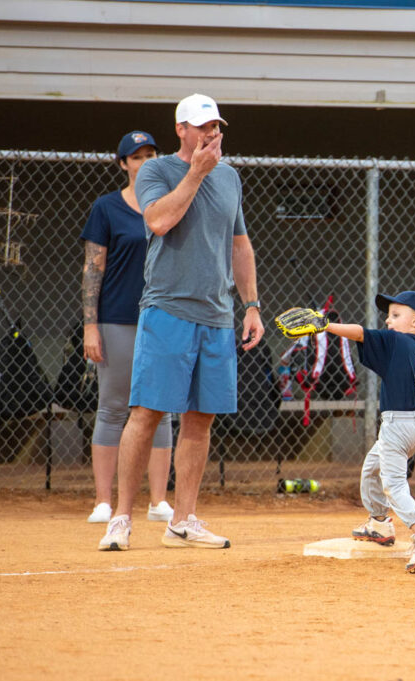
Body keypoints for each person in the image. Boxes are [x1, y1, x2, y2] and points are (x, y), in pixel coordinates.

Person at [98, 94, 264, 551]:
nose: (212, 133)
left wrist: (251, 306)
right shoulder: (157, 171)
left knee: (200, 418)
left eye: (216, 126)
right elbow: (158, 221)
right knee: (147, 413)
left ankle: (183, 519)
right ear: (181, 130)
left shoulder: (230, 177)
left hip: (217, 316)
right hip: (167, 309)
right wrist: (197, 173)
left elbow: (240, 245)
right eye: (203, 126)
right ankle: (121, 517)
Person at [81, 130, 174, 525]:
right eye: (136, 157)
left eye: (151, 155)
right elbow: (92, 268)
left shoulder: (171, 203)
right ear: (122, 163)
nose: (144, 162)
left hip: (164, 317)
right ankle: (104, 501)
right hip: (118, 318)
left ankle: (158, 501)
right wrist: (90, 326)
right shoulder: (107, 208)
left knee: (162, 409)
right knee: (113, 407)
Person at [321, 290, 415, 573]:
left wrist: (326, 325)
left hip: (397, 424)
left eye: (395, 315)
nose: (388, 321)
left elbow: (360, 333)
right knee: (372, 469)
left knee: (393, 484)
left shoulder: (397, 341)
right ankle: (379, 524)